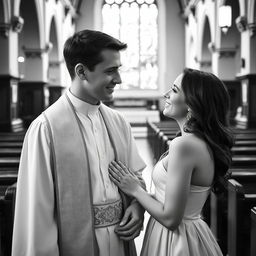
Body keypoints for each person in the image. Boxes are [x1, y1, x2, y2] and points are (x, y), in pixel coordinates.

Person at [12, 30, 146, 256]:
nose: (119, 79)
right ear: (81, 71)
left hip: (120, 241)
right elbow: (38, 213)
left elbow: (136, 177)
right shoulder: (46, 129)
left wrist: (138, 206)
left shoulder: (118, 122)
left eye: (118, 70)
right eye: (111, 71)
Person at [109, 68, 234, 256]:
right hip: (187, 233)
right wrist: (140, 202)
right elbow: (170, 202)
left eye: (174, 90)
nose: (166, 94)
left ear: (192, 103)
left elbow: (171, 218)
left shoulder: (184, 145)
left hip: (176, 241)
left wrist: (135, 189)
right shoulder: (195, 142)